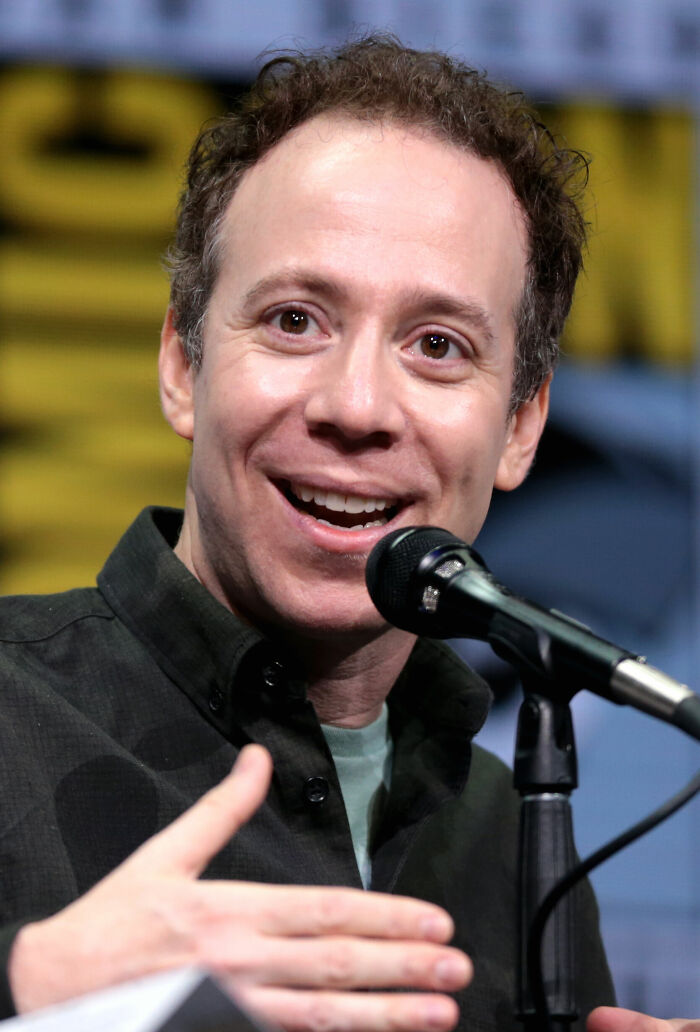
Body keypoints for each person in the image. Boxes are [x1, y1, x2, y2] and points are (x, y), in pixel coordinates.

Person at [0, 35, 693, 1032]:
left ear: (521, 426)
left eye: (437, 345)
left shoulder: (512, 836)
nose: (358, 404)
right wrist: (33, 991)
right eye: (293, 321)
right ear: (182, 366)